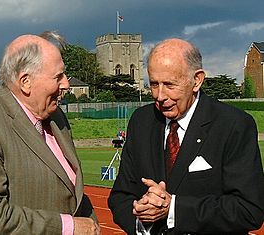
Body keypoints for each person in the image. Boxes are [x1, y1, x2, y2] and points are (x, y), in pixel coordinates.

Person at [108, 38, 264, 235]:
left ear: (197, 80)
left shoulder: (233, 125)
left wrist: (173, 208)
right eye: (154, 84)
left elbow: (249, 210)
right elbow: (120, 196)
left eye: (170, 85)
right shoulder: (141, 121)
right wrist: (141, 218)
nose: (160, 95)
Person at [0, 31, 100, 235]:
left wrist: (91, 225)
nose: (66, 84)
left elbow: (70, 190)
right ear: (25, 82)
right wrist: (68, 227)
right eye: (58, 76)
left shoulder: (56, 117)